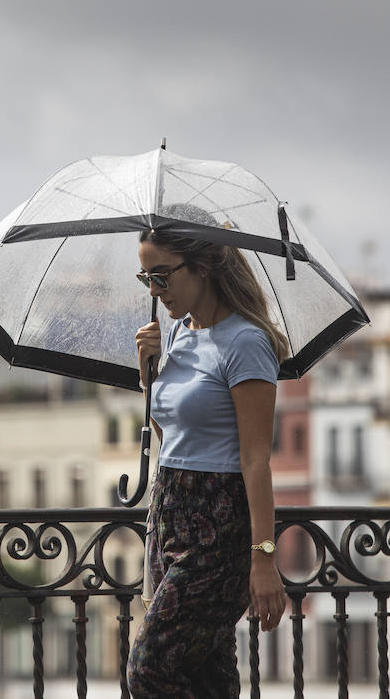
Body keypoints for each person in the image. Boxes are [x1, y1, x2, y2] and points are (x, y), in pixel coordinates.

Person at [126, 222, 289, 698]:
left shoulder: (246, 343)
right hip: (170, 514)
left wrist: (263, 559)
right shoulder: (174, 336)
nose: (155, 291)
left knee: (148, 671)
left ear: (202, 266)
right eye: (146, 279)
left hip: (217, 527)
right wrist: (146, 375)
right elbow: (172, 434)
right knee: (208, 678)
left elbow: (256, 459)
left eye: (162, 276)